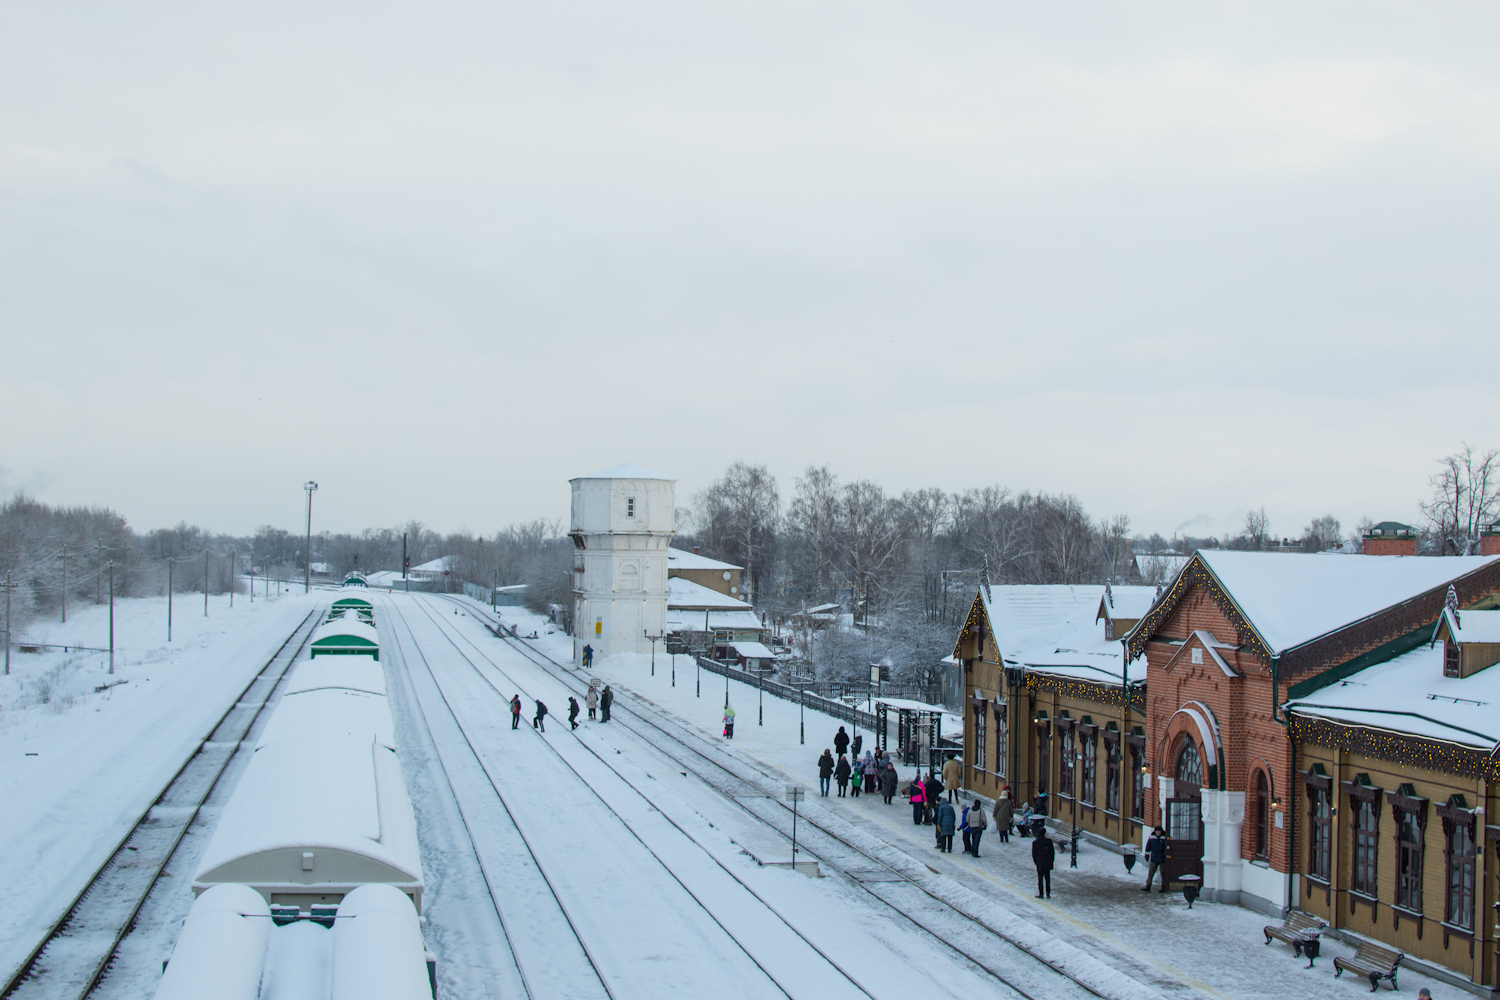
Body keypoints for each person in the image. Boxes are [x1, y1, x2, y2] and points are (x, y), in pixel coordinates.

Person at [1032, 822, 1055, 897]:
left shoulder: (1035, 843)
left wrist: (1037, 862)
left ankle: (1041, 893)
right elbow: (1052, 853)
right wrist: (1051, 861)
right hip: (1047, 862)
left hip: (1040, 863)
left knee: (1040, 879)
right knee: (1047, 878)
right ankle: (1048, 893)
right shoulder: (1049, 842)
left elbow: (1034, 855)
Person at [1142, 826, 1168, 893]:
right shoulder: (1152, 837)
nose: (1158, 833)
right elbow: (1148, 847)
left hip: (1162, 858)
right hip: (1154, 857)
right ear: (1155, 831)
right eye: (1157, 831)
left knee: (1163, 873)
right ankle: (1148, 885)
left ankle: (1164, 886)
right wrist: (1147, 855)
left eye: (1159, 831)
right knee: (1151, 872)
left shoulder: (1164, 838)